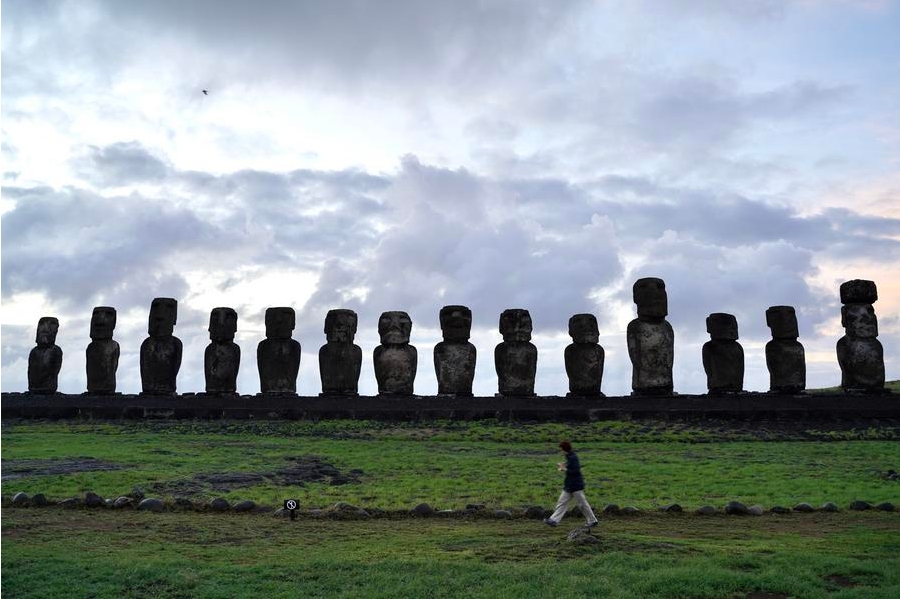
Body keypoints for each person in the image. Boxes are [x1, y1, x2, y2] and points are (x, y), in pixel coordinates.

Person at [544, 441, 599, 528]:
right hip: (569, 485)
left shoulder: (573, 457)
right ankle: (553, 520)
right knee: (562, 502)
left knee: (582, 504)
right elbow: (571, 466)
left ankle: (593, 520)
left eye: (561, 450)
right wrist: (564, 465)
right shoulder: (570, 456)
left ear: (564, 449)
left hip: (576, 485)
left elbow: (575, 471)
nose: (560, 452)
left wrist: (564, 468)